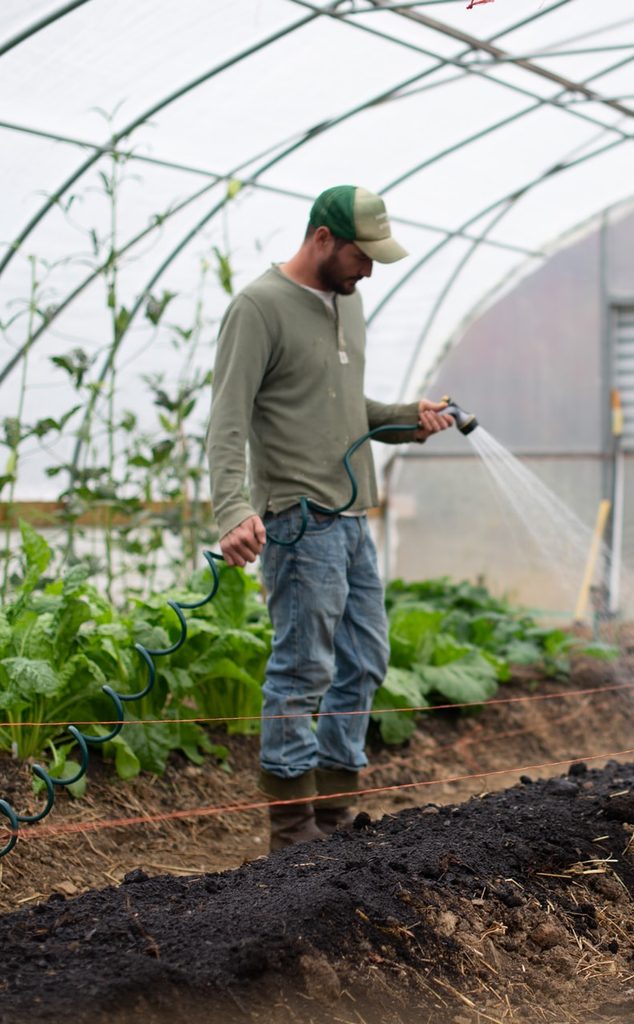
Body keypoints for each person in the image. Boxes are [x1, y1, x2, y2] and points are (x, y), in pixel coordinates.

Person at [206, 185, 453, 851]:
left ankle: (336, 819)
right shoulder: (259, 308)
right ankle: (292, 832)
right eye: (361, 256)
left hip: (351, 520)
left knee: (365, 658)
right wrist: (233, 509)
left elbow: (346, 412)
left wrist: (410, 420)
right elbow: (227, 420)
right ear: (322, 238)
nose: (369, 269)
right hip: (298, 519)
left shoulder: (351, 303)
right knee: (302, 668)